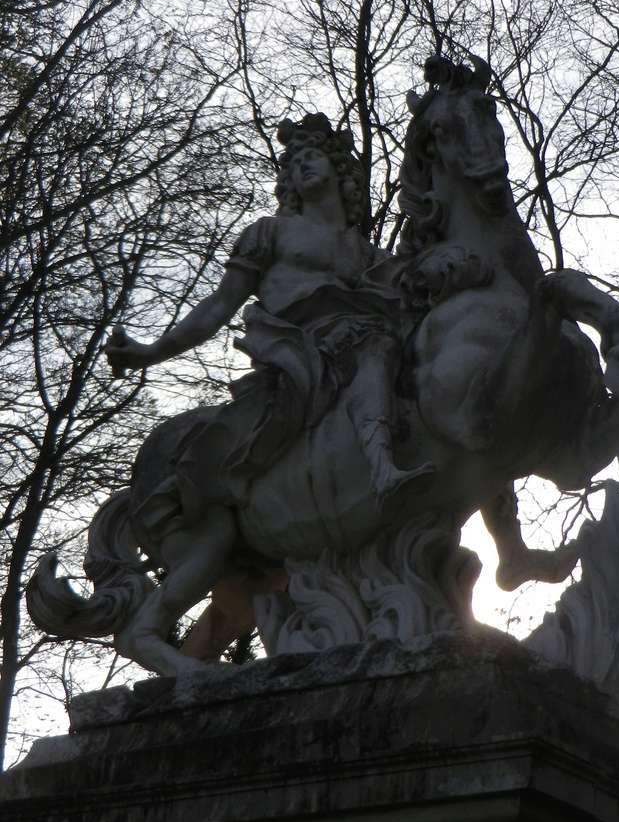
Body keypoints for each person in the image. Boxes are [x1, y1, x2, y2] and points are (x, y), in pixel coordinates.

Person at [106, 113, 433, 534]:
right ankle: (383, 471)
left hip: (358, 341)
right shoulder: (270, 233)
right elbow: (219, 306)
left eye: (313, 156)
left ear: (339, 169)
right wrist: (153, 351)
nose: (302, 166)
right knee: (375, 349)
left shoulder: (366, 254)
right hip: (299, 348)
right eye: (294, 164)